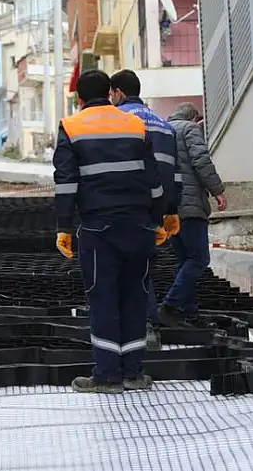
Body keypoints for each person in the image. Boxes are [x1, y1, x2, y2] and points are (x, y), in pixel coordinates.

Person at [52, 69, 168, 394]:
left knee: (103, 297)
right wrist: (159, 219)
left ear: (79, 97)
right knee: (134, 296)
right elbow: (153, 177)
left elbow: (66, 182)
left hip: (98, 226)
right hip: (139, 225)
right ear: (111, 93)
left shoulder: (71, 127)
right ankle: (133, 373)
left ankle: (106, 375)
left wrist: (63, 227)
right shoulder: (134, 124)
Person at [108, 69, 180, 340]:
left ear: (119, 93)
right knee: (143, 264)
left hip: (129, 201)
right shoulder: (165, 124)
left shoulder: (119, 119)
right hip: (158, 205)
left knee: (127, 267)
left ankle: (145, 326)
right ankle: (146, 323)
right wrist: (172, 209)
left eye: (111, 94)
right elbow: (175, 170)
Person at [158, 103, 227, 327]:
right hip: (189, 207)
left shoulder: (162, 129)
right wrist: (217, 191)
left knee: (184, 261)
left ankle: (190, 315)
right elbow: (201, 161)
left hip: (168, 209)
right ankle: (169, 306)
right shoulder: (190, 129)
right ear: (194, 117)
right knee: (199, 259)